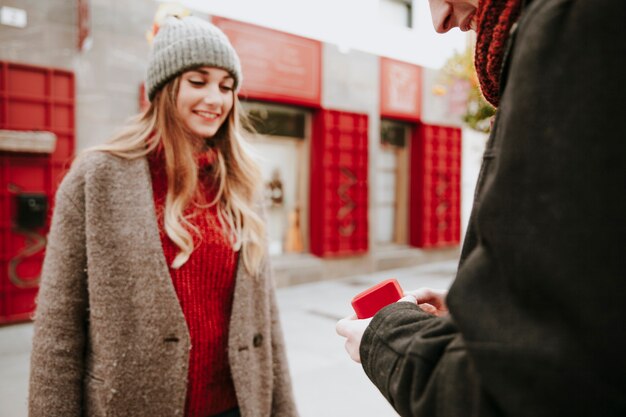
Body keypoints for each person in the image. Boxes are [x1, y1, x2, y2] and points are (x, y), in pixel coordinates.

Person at [337, 0, 626, 416]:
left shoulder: (572, 28)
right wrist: (484, 305)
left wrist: (383, 337)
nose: (438, 21)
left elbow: (520, 388)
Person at [28, 16, 299, 417]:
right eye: (198, 81)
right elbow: (58, 332)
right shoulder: (98, 177)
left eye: (226, 87)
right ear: (164, 86)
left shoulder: (242, 184)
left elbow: (266, 321)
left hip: (236, 407)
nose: (215, 99)